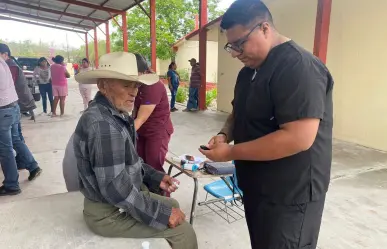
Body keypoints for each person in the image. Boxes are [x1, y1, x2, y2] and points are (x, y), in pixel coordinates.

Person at [199, 1, 334, 249]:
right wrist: (224, 133)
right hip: (258, 187)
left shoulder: (298, 67)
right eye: (231, 46)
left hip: (290, 194)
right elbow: (239, 110)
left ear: (264, 28)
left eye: (240, 44)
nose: (236, 53)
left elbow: (298, 138)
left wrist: (229, 153)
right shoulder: (248, 71)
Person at [73, 52, 197, 249]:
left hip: (117, 199)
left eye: (136, 85)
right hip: (108, 213)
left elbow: (131, 161)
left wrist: (156, 177)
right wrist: (161, 215)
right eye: (126, 85)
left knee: (172, 205)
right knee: (183, 231)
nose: (134, 92)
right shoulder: (104, 125)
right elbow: (116, 189)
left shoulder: (115, 114)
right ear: (103, 85)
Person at [0, 56, 42, 196]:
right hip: (13, 107)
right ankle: (33, 166)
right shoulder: (3, 62)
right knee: (16, 140)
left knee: (5, 150)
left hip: (3, 110)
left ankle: (11, 185)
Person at [133, 54, 174, 195]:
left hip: (157, 132)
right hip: (142, 131)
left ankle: (165, 202)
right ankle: (147, 198)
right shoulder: (138, 83)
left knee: (154, 167)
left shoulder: (152, 86)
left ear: (143, 71)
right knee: (140, 165)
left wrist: (122, 135)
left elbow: (141, 118)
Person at [0, 43, 37, 121]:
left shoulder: (10, 66)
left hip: (17, 95)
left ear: (5, 54)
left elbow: (9, 83)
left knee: (12, 126)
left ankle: (31, 116)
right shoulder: (10, 64)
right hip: (17, 95)